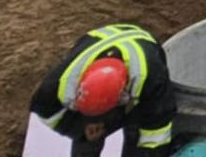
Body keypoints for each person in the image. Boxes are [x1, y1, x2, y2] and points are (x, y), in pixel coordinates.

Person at [29, 22, 176, 157]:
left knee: (136, 131)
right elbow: (46, 113)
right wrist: (81, 130)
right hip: (99, 39)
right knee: (88, 138)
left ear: (123, 97)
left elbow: (156, 133)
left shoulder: (153, 78)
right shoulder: (56, 85)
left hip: (147, 51)